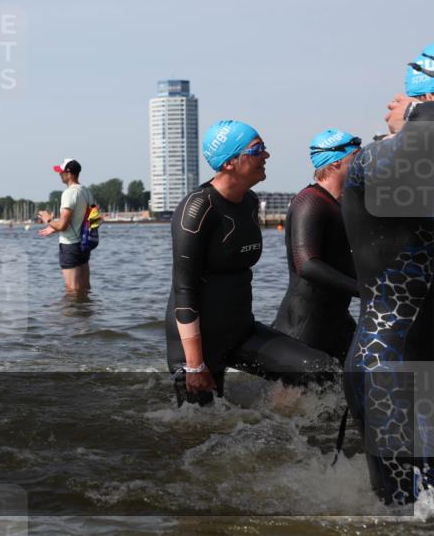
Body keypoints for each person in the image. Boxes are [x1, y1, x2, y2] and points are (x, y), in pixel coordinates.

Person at [165, 120, 333, 406]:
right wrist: (195, 365)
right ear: (230, 162)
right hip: (197, 345)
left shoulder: (250, 201)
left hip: (242, 331)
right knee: (199, 429)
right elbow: (184, 290)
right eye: (257, 150)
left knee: (321, 371)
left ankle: (284, 433)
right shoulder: (197, 209)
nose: (266, 155)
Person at [343, 45, 434, 505]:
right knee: (411, 512)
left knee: (407, 509)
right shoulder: (374, 162)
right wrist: (421, 114)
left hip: (391, 357)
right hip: (395, 365)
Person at [271, 129, 361, 361]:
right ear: (335, 163)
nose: (363, 163)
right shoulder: (310, 201)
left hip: (336, 320)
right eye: (357, 157)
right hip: (304, 326)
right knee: (293, 397)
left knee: (356, 388)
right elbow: (307, 265)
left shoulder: (340, 203)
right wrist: (365, 291)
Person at [37, 159, 93, 295]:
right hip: (84, 244)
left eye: (61, 172)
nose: (59, 174)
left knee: (72, 290)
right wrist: (54, 227)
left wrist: (48, 219)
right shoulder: (86, 192)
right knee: (85, 288)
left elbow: (63, 225)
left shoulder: (69, 193)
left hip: (70, 246)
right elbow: (82, 220)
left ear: (69, 174)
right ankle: (86, 313)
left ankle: (72, 315)